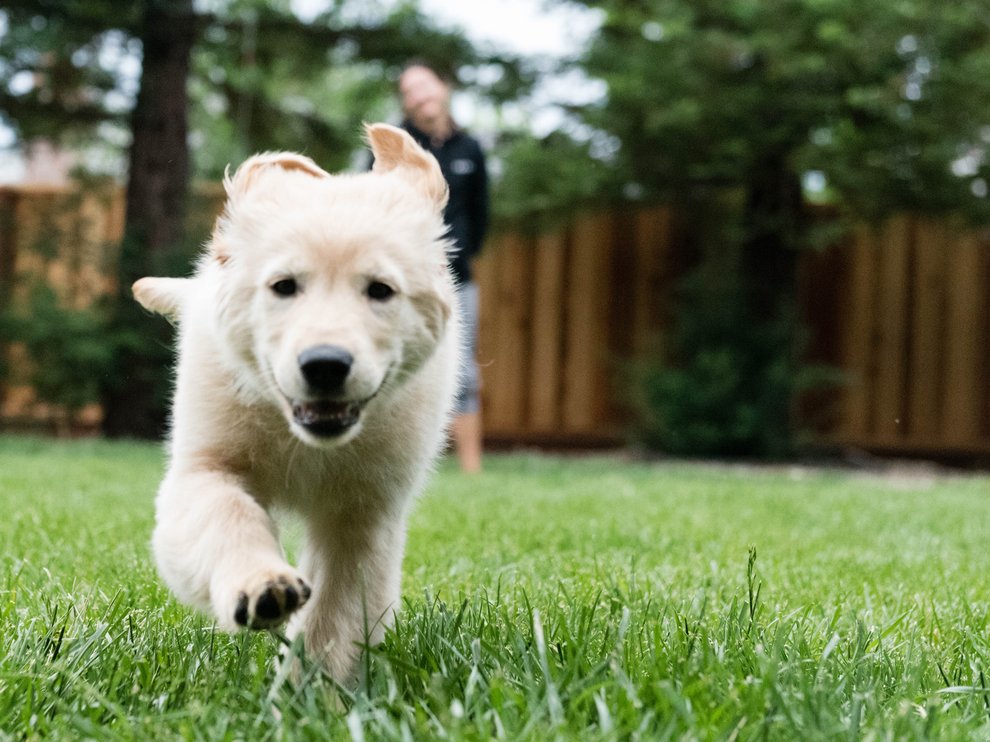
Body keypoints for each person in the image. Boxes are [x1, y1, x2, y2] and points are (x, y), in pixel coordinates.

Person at [397, 60, 489, 473]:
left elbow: (481, 214)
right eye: (408, 92)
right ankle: (401, 460)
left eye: (423, 86)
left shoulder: (470, 149)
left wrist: (464, 251)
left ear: (444, 87)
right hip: (404, 279)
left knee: (464, 369)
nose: (418, 96)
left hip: (457, 280)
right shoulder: (394, 147)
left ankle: (472, 471)